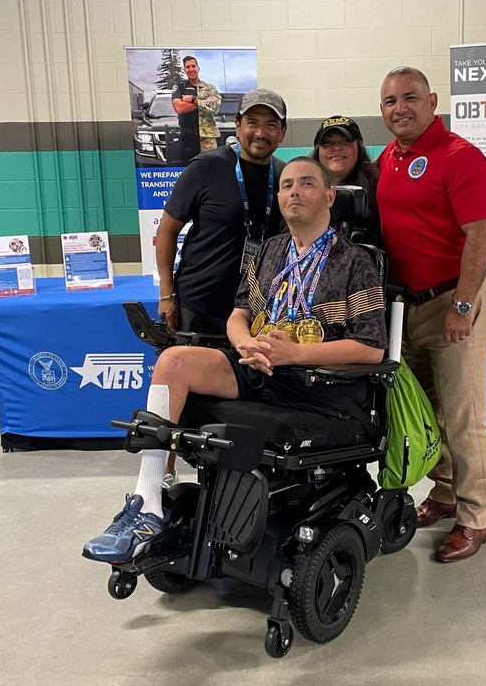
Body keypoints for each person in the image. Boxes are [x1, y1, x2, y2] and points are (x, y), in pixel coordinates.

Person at [83, 157, 387, 564]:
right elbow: (239, 314)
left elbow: (371, 349)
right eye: (287, 185)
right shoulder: (269, 251)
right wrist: (245, 344)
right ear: (278, 198)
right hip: (261, 370)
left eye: (307, 184)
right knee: (173, 361)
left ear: (330, 195)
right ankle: (148, 503)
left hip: (320, 390)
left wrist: (294, 353)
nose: (294, 191)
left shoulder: (355, 262)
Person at [375, 66, 486, 563]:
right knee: (428, 410)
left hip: (454, 301)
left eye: (409, 98)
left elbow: (481, 235)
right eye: (389, 101)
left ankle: (476, 518)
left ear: (432, 101)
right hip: (407, 306)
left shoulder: (460, 157)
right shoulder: (389, 157)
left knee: (464, 415)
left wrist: (463, 305)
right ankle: (445, 493)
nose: (399, 108)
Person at [155, 87, 288, 483]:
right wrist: (167, 292)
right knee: (180, 389)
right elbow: (166, 233)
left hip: (253, 313)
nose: (260, 132)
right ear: (239, 126)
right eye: (253, 123)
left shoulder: (286, 178)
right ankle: (162, 474)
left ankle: (225, 480)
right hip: (200, 302)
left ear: (282, 132)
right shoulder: (207, 167)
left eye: (270, 124)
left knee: (236, 400)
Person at [310, 115, 381, 245]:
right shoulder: (303, 192)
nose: (337, 147)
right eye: (328, 142)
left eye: (345, 141)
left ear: (359, 148)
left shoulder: (378, 190)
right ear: (318, 151)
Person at [172, 56, 222, 164]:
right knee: (190, 169)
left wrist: (193, 99)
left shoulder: (209, 88)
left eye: (193, 66)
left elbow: (215, 107)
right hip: (187, 137)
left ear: (198, 68)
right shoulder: (180, 87)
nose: (191, 69)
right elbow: (179, 108)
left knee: (210, 168)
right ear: (184, 70)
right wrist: (204, 102)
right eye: (188, 67)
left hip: (207, 137)